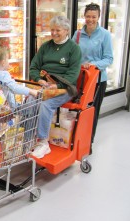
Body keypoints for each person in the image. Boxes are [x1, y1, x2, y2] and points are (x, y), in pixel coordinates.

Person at [29, 15, 82, 158]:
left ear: (66, 30)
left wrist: (57, 85)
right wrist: (39, 80)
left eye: (57, 30)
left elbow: (72, 76)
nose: (54, 33)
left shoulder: (74, 49)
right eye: (52, 30)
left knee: (45, 105)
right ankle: (29, 138)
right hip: (45, 85)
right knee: (29, 101)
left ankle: (43, 142)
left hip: (65, 88)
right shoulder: (46, 46)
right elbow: (33, 67)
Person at [72, 3, 113, 151]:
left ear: (98, 17)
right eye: (88, 16)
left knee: (92, 113)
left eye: (93, 17)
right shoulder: (77, 34)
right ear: (84, 16)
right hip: (80, 80)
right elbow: (70, 53)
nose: (90, 19)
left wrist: (93, 64)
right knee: (76, 111)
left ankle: (87, 143)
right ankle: (74, 141)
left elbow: (109, 58)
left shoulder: (105, 35)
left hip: (97, 81)